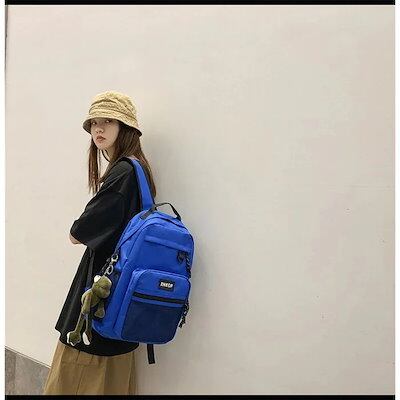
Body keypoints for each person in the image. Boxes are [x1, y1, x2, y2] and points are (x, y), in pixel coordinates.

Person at [43, 91, 157, 395]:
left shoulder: (122, 172)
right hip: (122, 299)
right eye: (94, 122)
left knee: (76, 379)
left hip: (98, 298)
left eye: (108, 121)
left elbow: (78, 232)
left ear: (126, 127)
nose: (99, 129)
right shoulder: (140, 170)